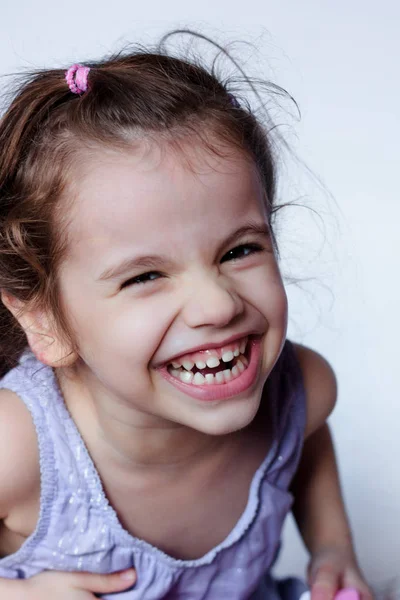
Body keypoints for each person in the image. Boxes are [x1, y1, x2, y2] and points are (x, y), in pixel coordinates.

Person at [0, 35, 373, 599]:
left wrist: (333, 545)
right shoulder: (17, 448)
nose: (219, 304)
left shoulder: (300, 390)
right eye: (144, 276)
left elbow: (306, 439)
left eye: (239, 250)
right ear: (45, 320)